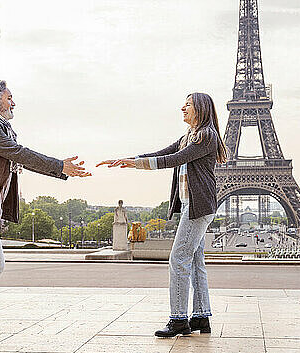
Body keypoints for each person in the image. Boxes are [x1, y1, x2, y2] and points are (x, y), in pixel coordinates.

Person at [0, 80, 90, 346]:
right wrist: (59, 166)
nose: (14, 102)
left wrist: (58, 168)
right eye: (9, 97)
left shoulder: (0, 126)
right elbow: (19, 154)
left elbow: (17, 155)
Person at [97, 92, 228, 337]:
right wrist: (129, 160)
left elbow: (173, 159)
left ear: (200, 108)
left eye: (187, 105)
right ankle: (201, 316)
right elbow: (162, 152)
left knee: (178, 259)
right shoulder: (188, 137)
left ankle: (179, 320)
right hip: (197, 205)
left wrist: (134, 164)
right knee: (195, 261)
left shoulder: (206, 136)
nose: (182, 108)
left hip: (198, 207)